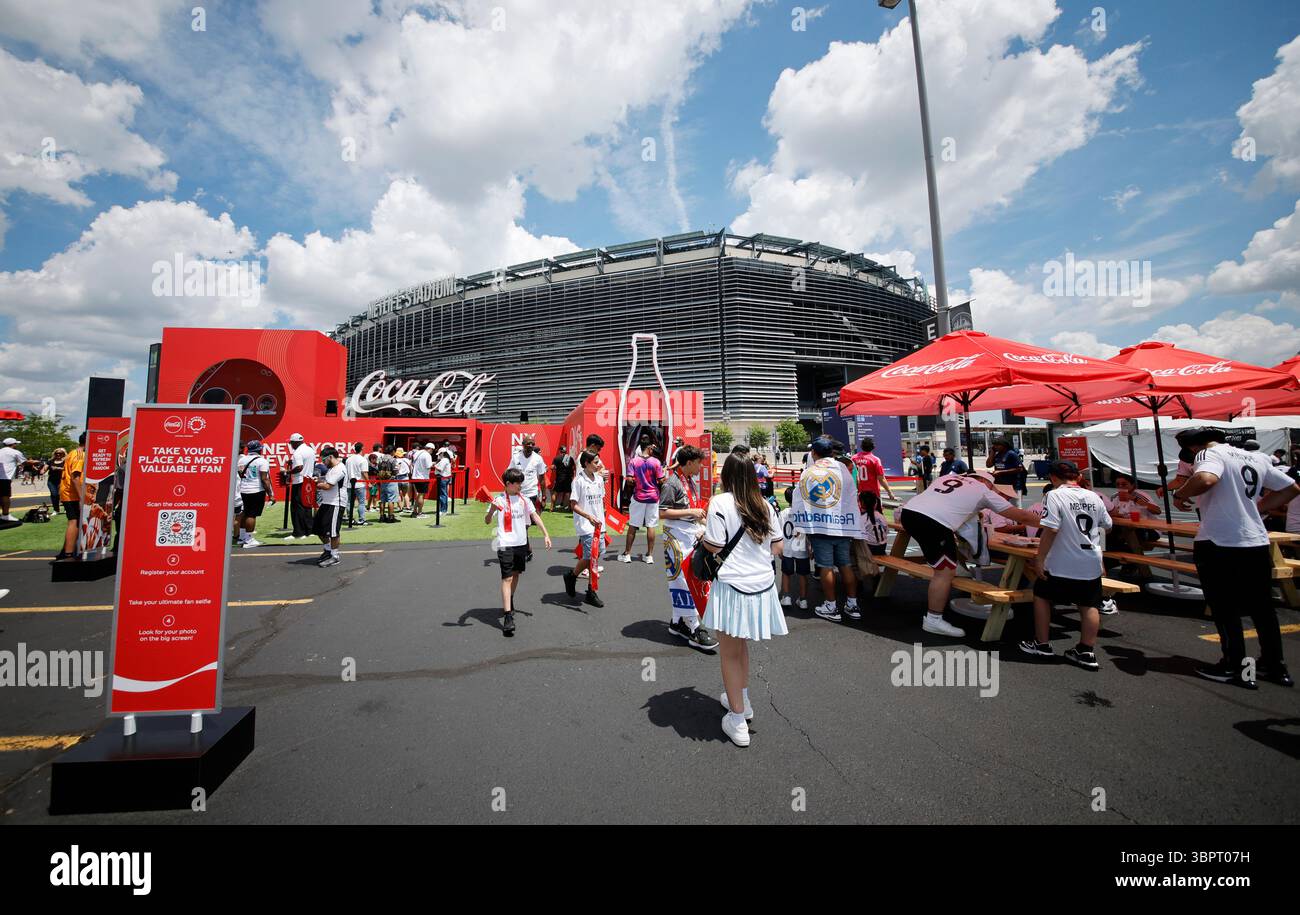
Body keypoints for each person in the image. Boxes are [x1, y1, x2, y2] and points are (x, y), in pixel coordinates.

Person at [1174, 426, 1299, 688]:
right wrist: (1256, 507)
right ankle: (1274, 666)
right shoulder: (1256, 457)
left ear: (1193, 447)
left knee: (1225, 607)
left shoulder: (1208, 454)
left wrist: (1180, 493)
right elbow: (1291, 488)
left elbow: (1206, 479)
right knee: (1263, 608)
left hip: (1220, 540)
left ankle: (1236, 667)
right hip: (1255, 540)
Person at [701, 453, 786, 748]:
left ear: (726, 475)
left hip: (732, 585)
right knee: (742, 647)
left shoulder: (720, 502)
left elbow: (713, 545)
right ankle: (742, 699)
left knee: (729, 652)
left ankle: (737, 720)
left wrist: (703, 537)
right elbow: (778, 547)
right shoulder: (764, 503)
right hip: (762, 586)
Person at [900, 469, 1041, 637]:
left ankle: (955, 571)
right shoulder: (983, 490)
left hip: (908, 513)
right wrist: (1052, 524)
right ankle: (933, 619)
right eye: (991, 485)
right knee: (944, 572)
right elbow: (1022, 516)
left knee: (945, 561)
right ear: (985, 481)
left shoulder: (946, 477)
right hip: (933, 521)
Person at [1018, 461, 1112, 669]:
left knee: (1042, 597)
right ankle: (1086, 650)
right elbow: (1106, 526)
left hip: (1062, 559)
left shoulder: (1054, 495)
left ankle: (1042, 643)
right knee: (1088, 604)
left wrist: (1040, 558)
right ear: (1077, 477)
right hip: (1090, 559)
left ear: (1052, 477)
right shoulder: (1093, 496)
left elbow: (1051, 529)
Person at [658, 444, 719, 651]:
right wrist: (693, 512)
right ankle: (693, 626)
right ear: (689, 462)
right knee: (681, 580)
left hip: (689, 535)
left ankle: (678, 622)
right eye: (699, 463)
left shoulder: (688, 481)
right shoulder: (671, 483)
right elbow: (662, 512)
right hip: (676, 538)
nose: (701, 467)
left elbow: (688, 509)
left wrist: (699, 517)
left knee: (688, 578)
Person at [800, 437, 861, 623]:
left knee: (825, 566)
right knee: (845, 565)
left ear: (814, 453)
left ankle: (831, 605)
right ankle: (852, 604)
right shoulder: (842, 468)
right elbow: (851, 494)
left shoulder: (811, 471)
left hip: (821, 526)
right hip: (843, 524)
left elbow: (802, 499)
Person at [486, 467, 552, 636]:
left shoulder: (524, 500)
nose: (520, 486)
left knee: (515, 574)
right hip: (505, 544)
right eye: (518, 484)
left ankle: (510, 598)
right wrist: (492, 509)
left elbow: (535, 516)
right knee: (507, 577)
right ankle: (508, 617)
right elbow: (487, 521)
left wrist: (546, 534)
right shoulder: (499, 500)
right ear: (508, 484)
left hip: (521, 544)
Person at [563, 451, 606, 608]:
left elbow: (601, 501)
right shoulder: (578, 481)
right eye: (595, 462)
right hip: (586, 526)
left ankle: (573, 576)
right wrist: (588, 517)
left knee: (596, 555)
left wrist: (603, 520)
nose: (599, 464)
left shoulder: (600, 479)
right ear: (586, 463)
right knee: (590, 557)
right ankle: (589, 590)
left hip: (599, 525)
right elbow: (573, 505)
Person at [622, 442, 663, 563]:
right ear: (649, 448)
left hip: (639, 496)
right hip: (653, 497)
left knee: (633, 525)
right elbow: (661, 480)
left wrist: (636, 480)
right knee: (651, 525)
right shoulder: (656, 462)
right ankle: (649, 556)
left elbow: (629, 479)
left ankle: (627, 554)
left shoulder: (634, 461)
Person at [236, 440, 275, 548]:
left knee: (245, 513)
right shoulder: (262, 461)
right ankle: (249, 540)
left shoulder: (241, 460)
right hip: (256, 490)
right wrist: (270, 494)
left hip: (243, 490)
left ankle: (242, 538)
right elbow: (264, 479)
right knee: (251, 515)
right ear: (259, 449)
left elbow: (241, 474)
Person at [54, 433, 86, 561]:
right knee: (74, 522)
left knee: (74, 521)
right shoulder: (79, 455)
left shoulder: (73, 452)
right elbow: (75, 477)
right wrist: (81, 497)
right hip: (71, 494)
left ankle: (66, 550)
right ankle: (68, 553)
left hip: (68, 492)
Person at [313, 446, 346, 567]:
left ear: (330, 457)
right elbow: (327, 480)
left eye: (324, 460)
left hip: (335, 503)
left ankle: (335, 556)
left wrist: (315, 484)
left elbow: (328, 486)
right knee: (318, 528)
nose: (323, 463)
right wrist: (319, 479)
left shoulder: (340, 468)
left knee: (333, 532)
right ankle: (328, 550)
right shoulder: (332, 468)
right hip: (326, 502)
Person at [778, 486, 810, 610]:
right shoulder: (804, 513)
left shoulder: (783, 513)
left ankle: (786, 597)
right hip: (801, 547)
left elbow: (779, 531)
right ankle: (803, 600)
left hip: (787, 547)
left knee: (786, 573)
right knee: (802, 574)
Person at [285, 433, 316, 540]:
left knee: (296, 508)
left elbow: (299, 467)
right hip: (309, 481)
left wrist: (288, 472)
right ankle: (309, 531)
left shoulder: (297, 453)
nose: (291, 445)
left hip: (299, 481)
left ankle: (298, 533)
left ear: (295, 442)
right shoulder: (310, 450)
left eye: (291, 443)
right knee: (307, 506)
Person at [852, 436, 896, 510]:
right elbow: (881, 479)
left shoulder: (853, 458)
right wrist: (889, 492)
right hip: (873, 493)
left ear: (861, 446)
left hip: (859, 493)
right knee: (876, 516)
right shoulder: (875, 460)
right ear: (873, 447)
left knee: (861, 516)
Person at [986, 438, 1026, 503]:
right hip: (1000, 485)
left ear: (1004, 445)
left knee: (1015, 506)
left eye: (997, 445)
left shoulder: (1011, 454)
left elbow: (1019, 469)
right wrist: (992, 452)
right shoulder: (997, 455)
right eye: (994, 445)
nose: (995, 447)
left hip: (1013, 485)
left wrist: (1001, 472)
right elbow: (988, 465)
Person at [0, 436, 26, 521]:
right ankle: (5, 515)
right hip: (5, 477)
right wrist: (35, 462)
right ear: (12, 444)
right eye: (15, 444)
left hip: (3, 476)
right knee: (5, 496)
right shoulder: (15, 452)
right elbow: (24, 462)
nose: (16, 445)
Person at [345, 442, 370, 527]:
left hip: (349, 484)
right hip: (359, 484)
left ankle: (350, 519)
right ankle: (361, 519)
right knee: (361, 503)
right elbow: (364, 472)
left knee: (349, 502)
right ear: (362, 448)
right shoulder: (362, 459)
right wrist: (369, 482)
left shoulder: (349, 459)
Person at [409, 443, 433, 517]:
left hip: (415, 476)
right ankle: (419, 513)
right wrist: (435, 463)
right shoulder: (427, 455)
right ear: (430, 449)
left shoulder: (417, 453)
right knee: (421, 495)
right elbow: (428, 466)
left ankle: (415, 511)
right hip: (423, 477)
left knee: (419, 495)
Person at [376, 446, 399, 523]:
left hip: (382, 481)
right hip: (391, 481)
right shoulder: (393, 459)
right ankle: (391, 517)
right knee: (391, 499)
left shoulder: (380, 459)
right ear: (392, 451)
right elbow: (396, 471)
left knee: (382, 499)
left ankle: (382, 516)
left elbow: (378, 469)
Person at [550, 445, 575, 511]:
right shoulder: (570, 458)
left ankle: (551, 508)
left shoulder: (557, 458)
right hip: (568, 478)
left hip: (559, 478)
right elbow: (574, 468)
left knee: (555, 492)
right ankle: (569, 508)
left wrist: (554, 468)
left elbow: (552, 467)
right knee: (568, 493)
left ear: (559, 451)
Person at [45, 447, 65, 512]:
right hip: (51, 481)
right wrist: (42, 471)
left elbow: (68, 469)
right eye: (57, 453)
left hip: (62, 480)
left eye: (60, 453)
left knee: (62, 495)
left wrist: (58, 468)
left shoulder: (66, 461)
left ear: (63, 454)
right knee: (54, 495)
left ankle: (66, 508)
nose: (58, 455)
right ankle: (56, 509)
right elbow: (44, 468)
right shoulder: (50, 461)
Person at [435, 447, 453, 513]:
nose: (439, 455)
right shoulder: (446, 459)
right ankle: (443, 509)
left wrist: (434, 465)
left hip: (442, 478)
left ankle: (443, 510)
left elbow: (440, 469)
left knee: (442, 494)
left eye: (439, 454)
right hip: (445, 478)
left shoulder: (444, 460)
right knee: (444, 494)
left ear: (442, 453)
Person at [393, 447, 411, 512]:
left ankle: (400, 508)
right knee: (405, 494)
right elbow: (411, 467)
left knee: (398, 494)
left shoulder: (394, 460)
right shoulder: (407, 460)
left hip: (397, 478)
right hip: (405, 477)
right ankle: (408, 507)